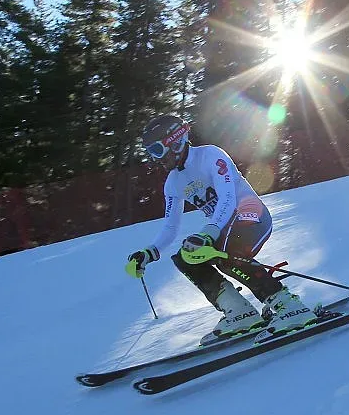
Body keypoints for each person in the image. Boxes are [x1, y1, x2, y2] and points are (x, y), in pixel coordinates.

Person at [125, 114, 318, 341]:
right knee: (186, 258)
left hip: (252, 216)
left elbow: (227, 197)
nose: (155, 159)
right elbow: (170, 226)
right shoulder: (173, 183)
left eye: (156, 150)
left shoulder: (210, 155)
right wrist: (149, 252)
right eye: (150, 153)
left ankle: (288, 307)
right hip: (222, 228)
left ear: (174, 142)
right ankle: (240, 312)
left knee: (224, 252)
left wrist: (209, 232)